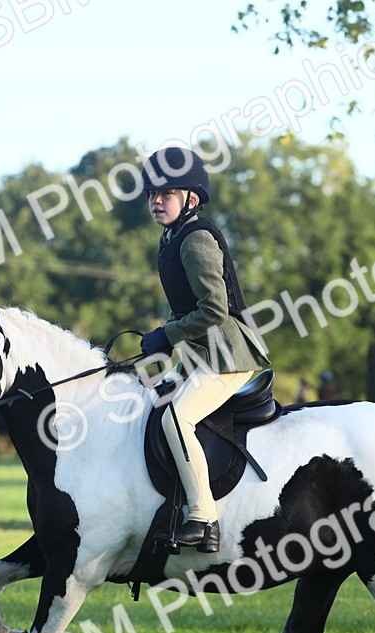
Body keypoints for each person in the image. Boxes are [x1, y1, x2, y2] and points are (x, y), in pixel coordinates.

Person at [138, 147, 271, 554]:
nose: (157, 201)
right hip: (200, 353)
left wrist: (167, 333)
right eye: (152, 194)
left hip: (227, 356)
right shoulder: (173, 236)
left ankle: (204, 517)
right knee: (145, 403)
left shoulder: (195, 239)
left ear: (190, 199)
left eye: (167, 193)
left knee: (176, 421)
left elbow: (214, 309)